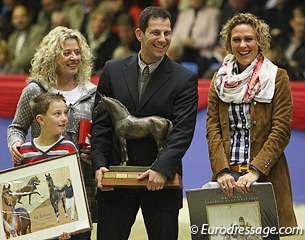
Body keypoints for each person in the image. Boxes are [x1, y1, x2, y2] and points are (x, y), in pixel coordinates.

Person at [91, 6, 198, 240]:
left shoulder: (185, 79)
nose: (163, 39)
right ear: (139, 34)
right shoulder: (112, 69)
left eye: (167, 33)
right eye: (155, 33)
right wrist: (99, 165)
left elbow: (182, 131)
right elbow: (101, 125)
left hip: (162, 184)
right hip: (115, 184)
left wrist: (162, 168)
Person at [206, 12, 297, 234]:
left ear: (260, 41)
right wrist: (221, 172)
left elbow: (281, 131)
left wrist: (255, 172)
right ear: (229, 43)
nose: (243, 45)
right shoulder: (219, 80)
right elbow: (213, 129)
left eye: (249, 39)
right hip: (227, 179)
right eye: (236, 39)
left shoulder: (277, 77)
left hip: (265, 177)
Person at [7, 26, 96, 240]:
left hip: (81, 186)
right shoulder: (35, 90)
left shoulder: (91, 92)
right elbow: (17, 127)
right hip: (42, 184)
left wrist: (95, 148)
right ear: (52, 55)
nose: (74, 57)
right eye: (67, 53)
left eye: (77, 52)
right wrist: (16, 143)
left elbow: (101, 133)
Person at [18, 92, 76, 240]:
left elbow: (74, 189)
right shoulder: (24, 152)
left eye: (65, 113)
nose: (64, 118)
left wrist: (69, 225)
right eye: (57, 114)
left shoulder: (69, 148)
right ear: (41, 119)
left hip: (63, 231)